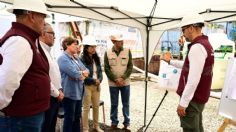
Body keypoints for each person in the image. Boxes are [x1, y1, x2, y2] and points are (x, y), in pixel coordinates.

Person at [0, 0, 51, 131]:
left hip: (23, 117)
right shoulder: (20, 41)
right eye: (43, 17)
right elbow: (5, 82)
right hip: (19, 119)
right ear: (32, 16)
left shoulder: (26, 38)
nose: (44, 22)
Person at [161, 13, 214, 132]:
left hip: (193, 99)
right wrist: (170, 62)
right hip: (199, 97)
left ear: (191, 28)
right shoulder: (206, 44)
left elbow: (193, 79)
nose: (183, 34)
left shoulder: (197, 47)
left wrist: (183, 103)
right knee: (198, 127)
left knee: (190, 128)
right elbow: (189, 66)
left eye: (183, 29)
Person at [58, 36, 89, 132]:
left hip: (78, 93)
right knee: (69, 119)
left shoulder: (75, 58)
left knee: (76, 119)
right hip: (69, 94)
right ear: (67, 45)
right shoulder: (63, 58)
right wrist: (80, 74)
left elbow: (87, 70)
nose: (77, 47)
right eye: (75, 45)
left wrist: (81, 74)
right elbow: (74, 73)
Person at [104, 34, 133, 131]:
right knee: (114, 103)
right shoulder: (107, 52)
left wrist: (123, 78)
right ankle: (114, 122)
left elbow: (130, 67)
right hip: (113, 84)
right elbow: (106, 68)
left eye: (122, 40)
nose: (122, 42)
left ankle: (127, 123)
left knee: (126, 103)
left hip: (125, 83)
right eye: (119, 41)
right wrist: (115, 79)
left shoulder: (127, 51)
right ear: (113, 42)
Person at [40, 23, 64, 132]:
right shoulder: (40, 52)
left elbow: (53, 74)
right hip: (48, 97)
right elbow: (43, 77)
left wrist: (59, 90)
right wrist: (57, 92)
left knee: (51, 127)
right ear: (42, 34)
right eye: (52, 34)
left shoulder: (47, 51)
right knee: (46, 127)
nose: (54, 37)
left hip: (55, 96)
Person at [81, 35, 103, 132]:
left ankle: (96, 126)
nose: (94, 49)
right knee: (86, 108)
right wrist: (94, 81)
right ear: (86, 48)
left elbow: (100, 72)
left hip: (97, 86)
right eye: (91, 47)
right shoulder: (82, 59)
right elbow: (84, 75)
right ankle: (85, 129)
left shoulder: (96, 58)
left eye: (95, 47)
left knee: (96, 106)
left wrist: (100, 80)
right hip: (87, 86)